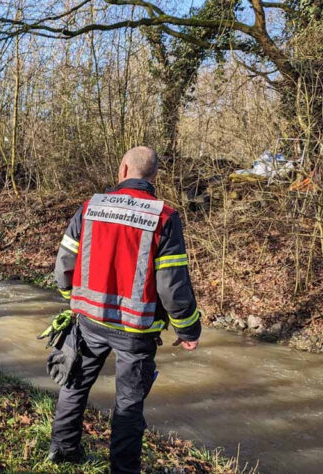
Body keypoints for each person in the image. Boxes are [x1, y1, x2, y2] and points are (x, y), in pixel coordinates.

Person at [46, 146, 201, 473]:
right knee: (129, 406)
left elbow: (64, 263)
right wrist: (187, 328)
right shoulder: (165, 218)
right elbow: (171, 284)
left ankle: (62, 452)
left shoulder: (91, 207)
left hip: (88, 321)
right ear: (154, 175)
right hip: (135, 330)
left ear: (123, 169)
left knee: (74, 385)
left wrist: (68, 296)